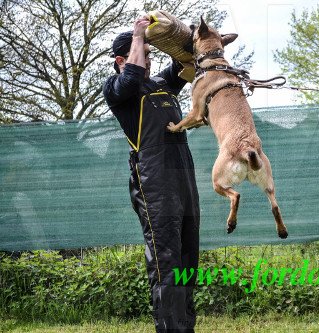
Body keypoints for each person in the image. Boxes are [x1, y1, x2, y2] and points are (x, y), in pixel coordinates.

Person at [102, 15, 200, 333]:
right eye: (143, 51)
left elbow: (187, 65)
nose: (148, 58)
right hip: (154, 181)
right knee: (166, 261)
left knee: (188, 258)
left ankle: (185, 327)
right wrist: (138, 34)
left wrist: (191, 39)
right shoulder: (118, 90)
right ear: (123, 58)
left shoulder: (161, 84)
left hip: (183, 176)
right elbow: (130, 78)